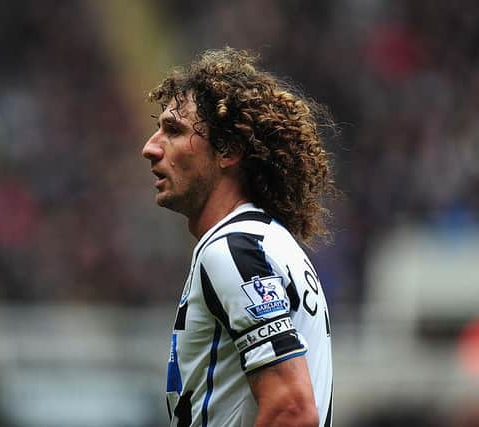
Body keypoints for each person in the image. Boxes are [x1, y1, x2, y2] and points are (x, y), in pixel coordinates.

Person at [141, 47, 335, 427]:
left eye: (174, 130)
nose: (150, 147)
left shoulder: (234, 249)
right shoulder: (267, 241)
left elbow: (292, 411)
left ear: (228, 151)